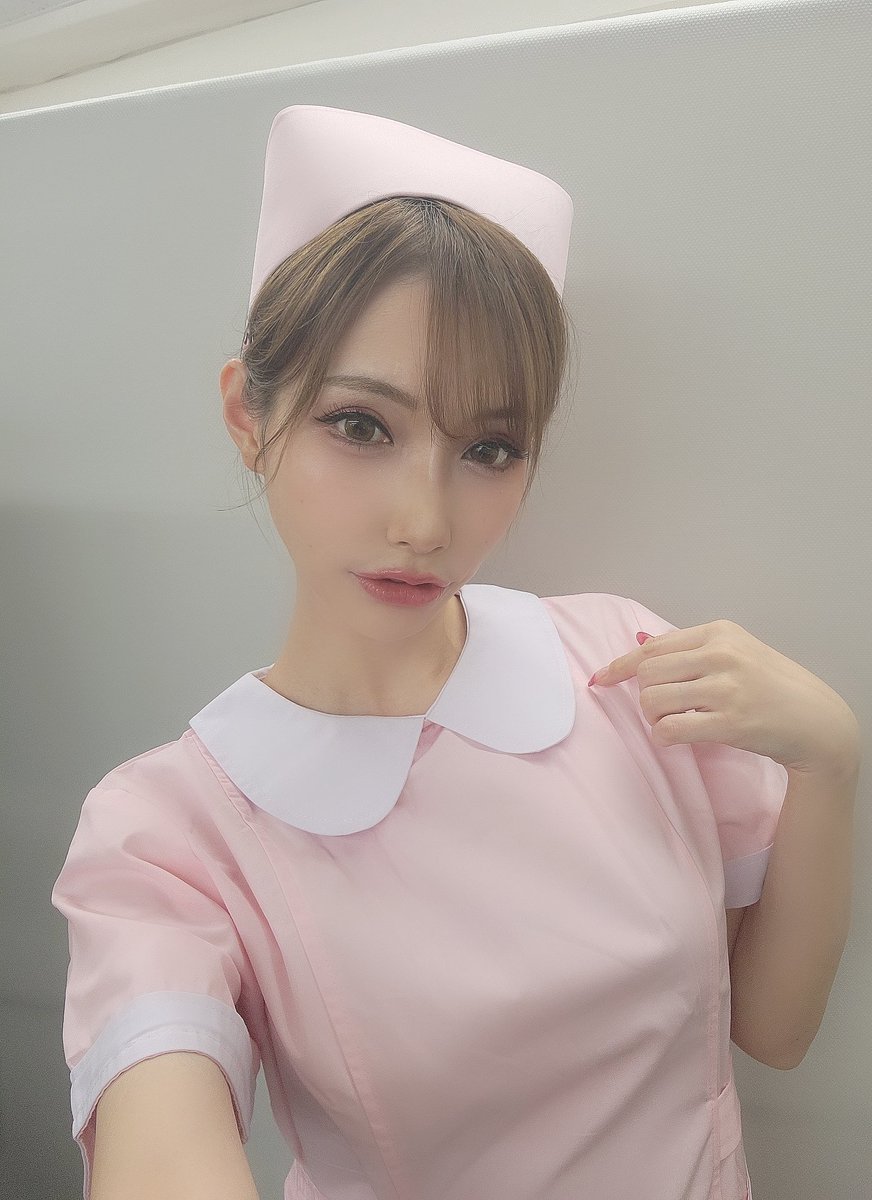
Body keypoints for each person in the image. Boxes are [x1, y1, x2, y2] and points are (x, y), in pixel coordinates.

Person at [52, 105, 780, 1200]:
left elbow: (769, 1029)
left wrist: (833, 754)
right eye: (361, 426)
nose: (426, 522)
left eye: (489, 447)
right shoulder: (167, 837)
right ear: (248, 416)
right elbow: (160, 1136)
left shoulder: (623, 663)